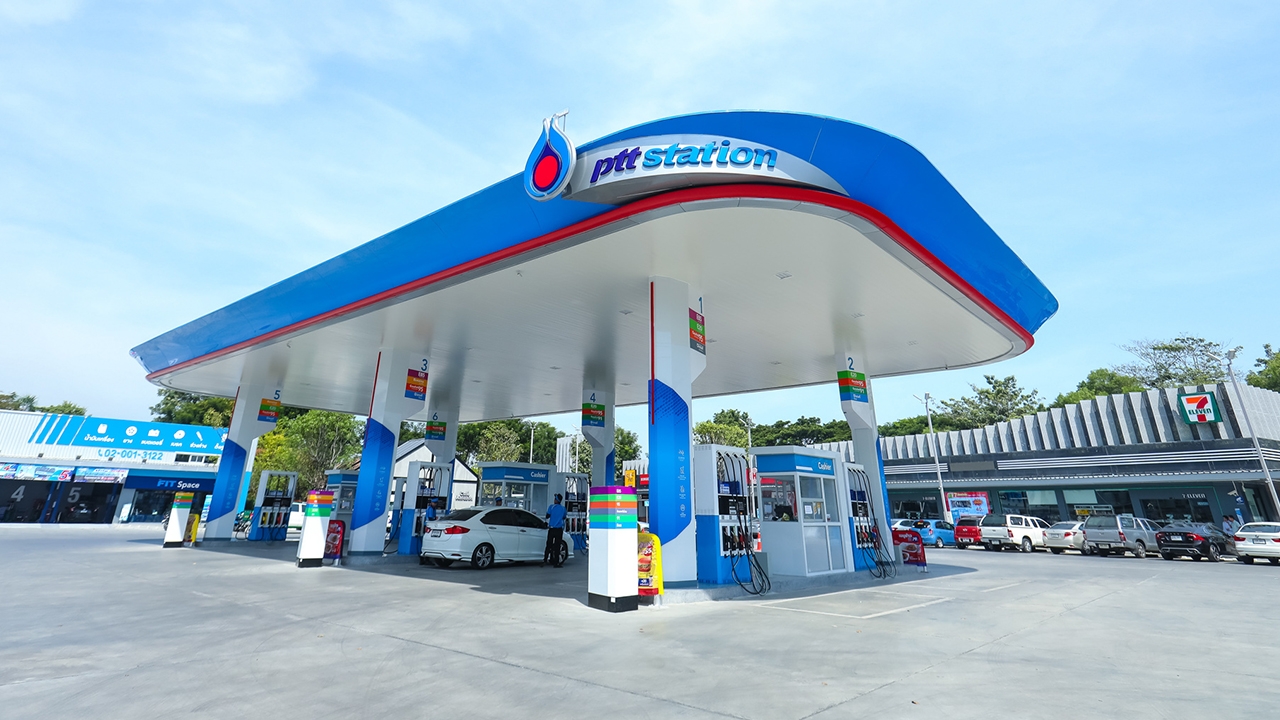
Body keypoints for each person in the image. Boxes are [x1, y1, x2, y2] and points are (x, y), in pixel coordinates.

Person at [544, 494, 567, 567]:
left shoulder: (551, 507)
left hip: (551, 529)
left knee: (549, 545)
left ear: (557, 500)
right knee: (557, 546)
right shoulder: (563, 509)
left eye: (555, 499)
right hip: (559, 529)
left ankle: (545, 560)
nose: (554, 500)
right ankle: (556, 563)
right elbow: (564, 517)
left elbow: (547, 516)